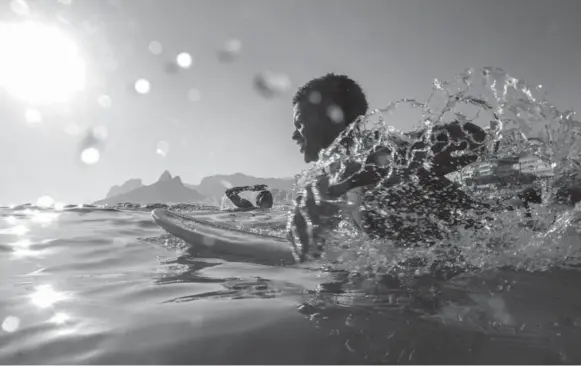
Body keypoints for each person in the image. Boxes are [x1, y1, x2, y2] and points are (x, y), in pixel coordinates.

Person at [287, 73, 537, 263]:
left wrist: (349, 176)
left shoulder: (375, 152)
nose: (294, 136)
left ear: (331, 117)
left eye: (300, 123)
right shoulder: (336, 179)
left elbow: (471, 137)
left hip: (517, 238)